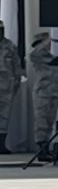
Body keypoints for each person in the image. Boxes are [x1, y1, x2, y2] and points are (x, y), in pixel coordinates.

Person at [29, 32, 58, 161]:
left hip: (54, 93)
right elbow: (45, 56)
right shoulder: (36, 55)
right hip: (42, 93)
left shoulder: (51, 57)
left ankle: (47, 149)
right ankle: (41, 150)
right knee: (41, 122)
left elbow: (56, 62)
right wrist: (48, 40)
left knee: (50, 122)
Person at [0, 20, 23, 154]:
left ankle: (1, 145)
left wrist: (16, 84)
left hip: (6, 88)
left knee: (4, 118)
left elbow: (17, 67)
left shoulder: (10, 46)